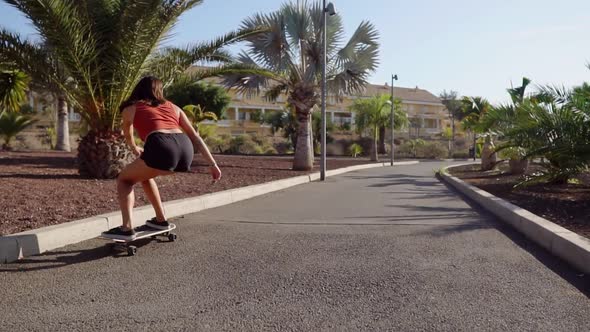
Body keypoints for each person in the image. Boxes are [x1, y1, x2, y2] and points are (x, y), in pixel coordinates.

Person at [104, 76, 221, 240]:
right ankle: (161, 219)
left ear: (138, 89)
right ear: (159, 90)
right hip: (185, 148)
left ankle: (126, 228)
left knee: (125, 180)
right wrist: (212, 164)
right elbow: (195, 137)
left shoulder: (131, 107)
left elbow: (127, 133)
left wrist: (132, 147)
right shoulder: (174, 107)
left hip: (162, 146)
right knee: (145, 175)